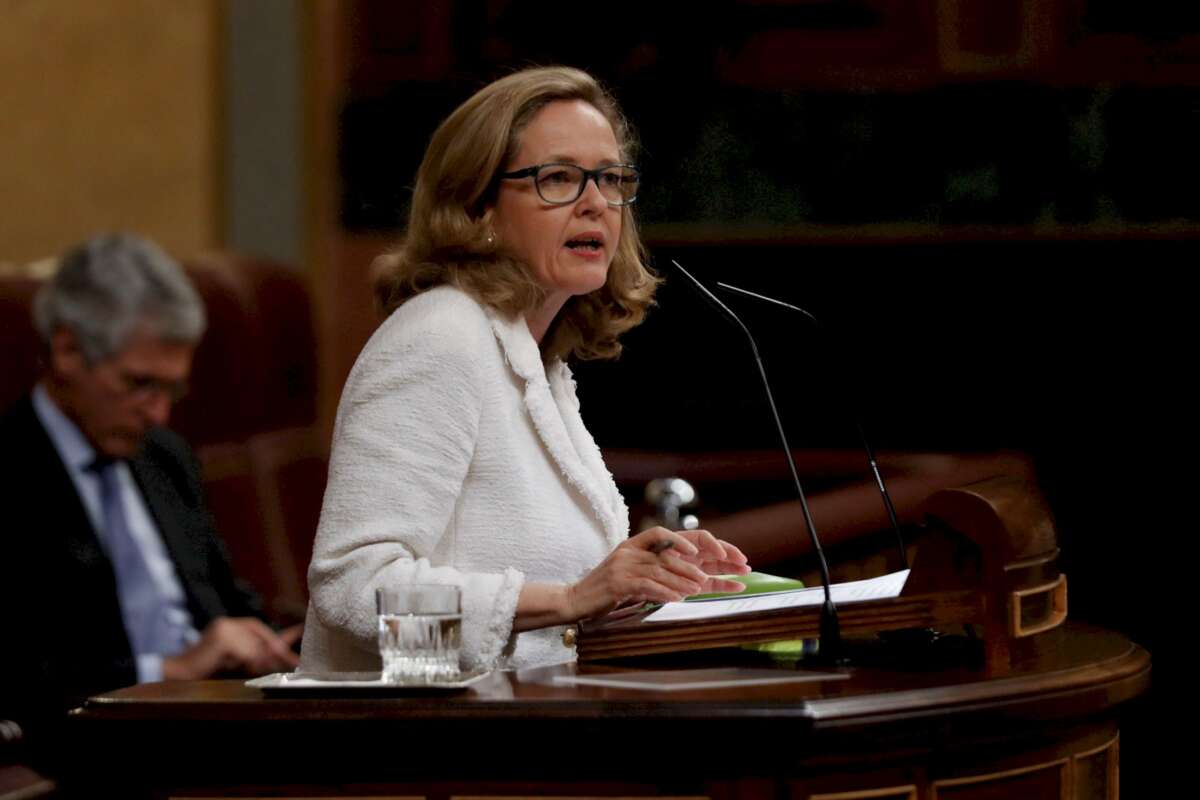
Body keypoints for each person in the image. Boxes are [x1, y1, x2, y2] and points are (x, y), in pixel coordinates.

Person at [300, 66, 750, 674]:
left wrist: (648, 583)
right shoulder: (439, 338)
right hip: (417, 747)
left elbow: (547, 627)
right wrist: (570, 598)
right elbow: (353, 593)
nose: (596, 203)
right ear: (477, 207)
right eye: (559, 178)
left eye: (611, 179)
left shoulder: (535, 357)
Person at [0, 233, 301, 747]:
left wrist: (274, 641)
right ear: (67, 349)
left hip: (216, 717)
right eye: (140, 384)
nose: (159, 413)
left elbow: (223, 596)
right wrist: (171, 667)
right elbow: (23, 670)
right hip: (102, 738)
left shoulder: (164, 455)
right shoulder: (11, 471)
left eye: (172, 389)